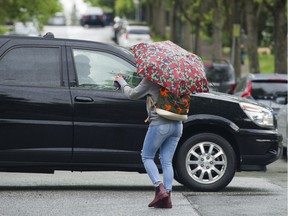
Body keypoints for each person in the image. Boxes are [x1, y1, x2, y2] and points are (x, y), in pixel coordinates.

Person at [114, 75, 183, 209]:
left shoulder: (153, 79)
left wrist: (121, 81)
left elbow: (132, 94)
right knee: (167, 161)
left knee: (146, 156)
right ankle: (167, 198)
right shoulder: (179, 78)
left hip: (160, 124)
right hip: (178, 125)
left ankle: (159, 189)